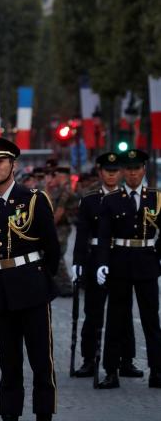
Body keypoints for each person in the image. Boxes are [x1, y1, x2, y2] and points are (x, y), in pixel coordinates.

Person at [0, 137, 59, 421]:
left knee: (40, 360)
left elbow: (52, 249)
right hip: (1, 288)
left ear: (13, 165)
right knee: (8, 361)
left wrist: (38, 278)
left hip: (32, 284)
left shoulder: (33, 199)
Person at [96, 148, 161, 389]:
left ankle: (157, 370)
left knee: (151, 319)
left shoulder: (156, 198)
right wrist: (102, 263)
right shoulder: (111, 200)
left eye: (137, 169)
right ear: (123, 172)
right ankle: (111, 371)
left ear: (143, 170)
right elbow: (104, 236)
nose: (133, 174)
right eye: (129, 169)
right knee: (115, 319)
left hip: (147, 262)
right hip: (120, 262)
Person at [71, 153, 140, 378]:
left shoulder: (128, 197)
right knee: (93, 311)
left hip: (121, 258)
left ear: (121, 172)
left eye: (116, 170)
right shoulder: (90, 198)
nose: (112, 174)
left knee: (124, 312)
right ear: (100, 172)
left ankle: (126, 359)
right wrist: (78, 263)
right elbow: (82, 233)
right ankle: (89, 359)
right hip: (94, 258)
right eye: (107, 171)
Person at [51, 166, 77, 297]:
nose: (54, 178)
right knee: (57, 253)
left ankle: (66, 285)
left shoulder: (65, 190)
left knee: (58, 253)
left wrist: (50, 226)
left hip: (62, 226)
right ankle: (60, 284)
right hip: (61, 226)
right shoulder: (61, 189)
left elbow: (60, 211)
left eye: (56, 176)